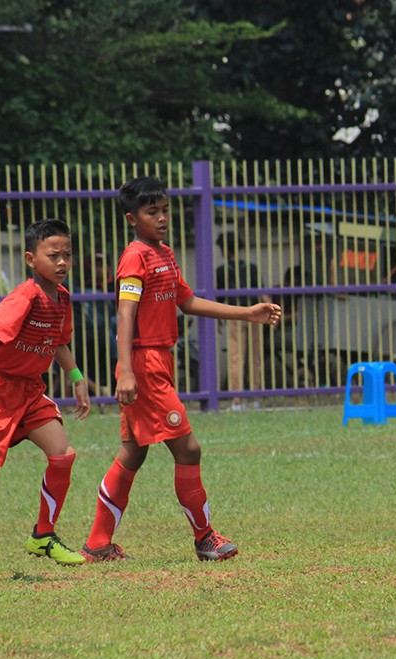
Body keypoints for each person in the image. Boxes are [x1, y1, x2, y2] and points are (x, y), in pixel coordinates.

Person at [81, 177, 282, 563]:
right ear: (132, 219)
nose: (162, 218)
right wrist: (126, 370)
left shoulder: (165, 255)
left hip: (159, 361)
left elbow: (187, 302)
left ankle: (97, 543)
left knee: (133, 453)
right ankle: (205, 538)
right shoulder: (135, 257)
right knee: (188, 449)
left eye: (165, 210)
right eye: (151, 212)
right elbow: (125, 314)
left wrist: (248, 313)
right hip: (144, 365)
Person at [0, 219, 91, 584]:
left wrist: (78, 379)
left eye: (67, 254)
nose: (62, 262)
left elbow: (59, 343)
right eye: (53, 255)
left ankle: (43, 536)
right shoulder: (25, 296)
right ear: (31, 259)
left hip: (30, 391)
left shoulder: (62, 298)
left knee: (62, 455)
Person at [215, 231, 271, 410]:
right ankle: (256, 397)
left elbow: (219, 299)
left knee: (236, 358)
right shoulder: (251, 268)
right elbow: (262, 294)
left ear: (225, 250)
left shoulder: (222, 271)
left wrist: (219, 320)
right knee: (256, 357)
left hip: (235, 315)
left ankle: (237, 399)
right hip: (254, 314)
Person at [69, 251, 117, 396]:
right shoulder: (84, 286)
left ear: (109, 267)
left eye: (101, 265)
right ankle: (96, 389)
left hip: (110, 330)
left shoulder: (115, 285)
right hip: (87, 330)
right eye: (95, 265)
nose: (98, 269)